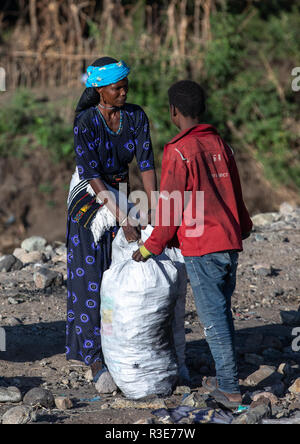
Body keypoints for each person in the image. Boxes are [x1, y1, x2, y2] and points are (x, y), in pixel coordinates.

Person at [132, 80, 252, 409]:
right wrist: (243, 225)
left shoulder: (179, 150)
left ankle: (229, 389)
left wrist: (149, 247)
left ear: (174, 112)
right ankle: (225, 376)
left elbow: (169, 209)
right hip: (229, 242)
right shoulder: (220, 143)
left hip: (203, 247)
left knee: (212, 319)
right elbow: (235, 193)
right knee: (222, 313)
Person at [66, 57, 157, 388]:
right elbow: (91, 175)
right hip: (91, 196)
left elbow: (146, 164)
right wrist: (121, 217)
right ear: (99, 90)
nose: (124, 92)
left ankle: (124, 348)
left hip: (120, 189)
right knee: (91, 278)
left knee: (120, 273)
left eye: (125, 86)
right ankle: (94, 359)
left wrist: (151, 207)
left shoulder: (135, 117)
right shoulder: (85, 122)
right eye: (117, 88)